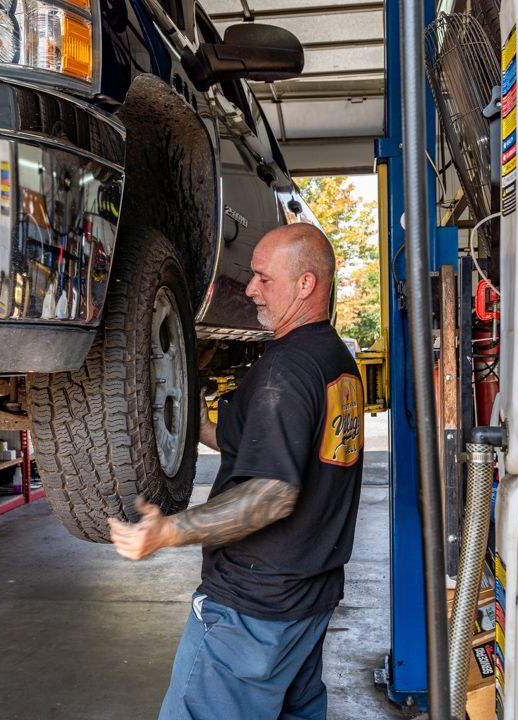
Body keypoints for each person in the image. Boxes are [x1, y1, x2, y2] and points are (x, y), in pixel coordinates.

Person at [108, 222, 366, 720]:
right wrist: (194, 423)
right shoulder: (335, 362)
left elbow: (269, 494)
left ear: (306, 284)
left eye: (263, 277)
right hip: (307, 599)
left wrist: (166, 532)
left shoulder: (284, 372)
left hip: (253, 608)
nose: (249, 289)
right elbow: (257, 443)